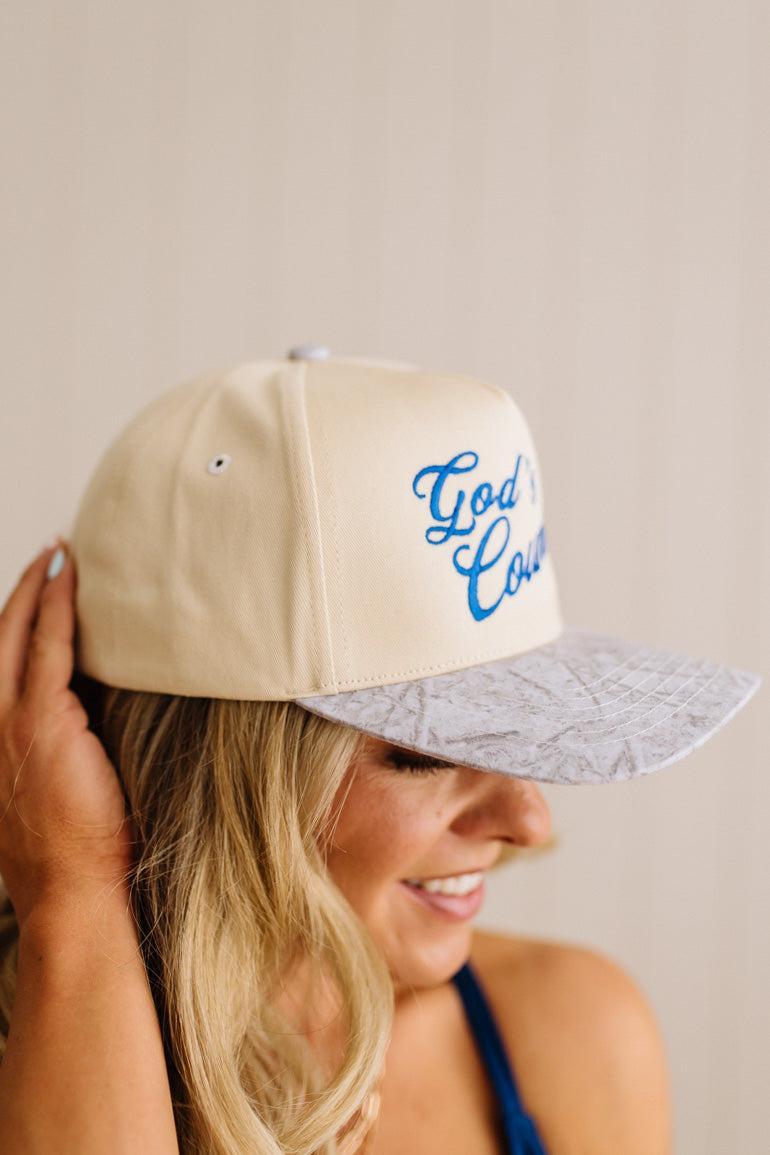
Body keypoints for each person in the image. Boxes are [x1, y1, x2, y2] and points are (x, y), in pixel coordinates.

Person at [0, 349, 760, 1154]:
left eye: (522, 732)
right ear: (218, 775)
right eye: (426, 754)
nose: (530, 821)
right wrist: (74, 898)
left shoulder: (579, 1032)